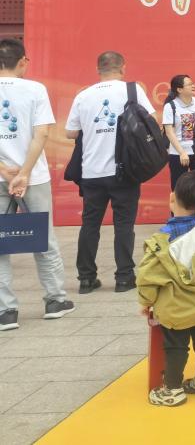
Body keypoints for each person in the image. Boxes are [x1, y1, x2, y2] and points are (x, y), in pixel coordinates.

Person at [65, 51, 156, 294]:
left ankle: (86, 279)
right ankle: (124, 277)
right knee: (124, 224)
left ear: (98, 69)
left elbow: (70, 132)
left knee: (90, 224)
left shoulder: (83, 95)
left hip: (91, 171)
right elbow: (151, 120)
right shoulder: (132, 90)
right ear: (123, 68)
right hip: (124, 170)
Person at [138, 170, 195, 407]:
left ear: (171, 198)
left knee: (176, 347)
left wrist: (146, 302)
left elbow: (148, 278)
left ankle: (172, 389)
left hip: (175, 309)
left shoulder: (160, 242)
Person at [0, 38, 74, 329]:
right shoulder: (35, 89)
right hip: (34, 177)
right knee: (44, 237)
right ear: (22, 62)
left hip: (2, 176)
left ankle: (6, 310)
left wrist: (6, 171)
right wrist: (24, 173)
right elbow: (41, 134)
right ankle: (55, 300)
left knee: (0, 243)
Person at [162, 74, 195, 191]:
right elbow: (169, 132)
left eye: (193, 83)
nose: (193, 86)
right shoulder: (171, 106)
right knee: (178, 189)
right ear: (179, 89)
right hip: (178, 154)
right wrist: (182, 152)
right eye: (189, 84)